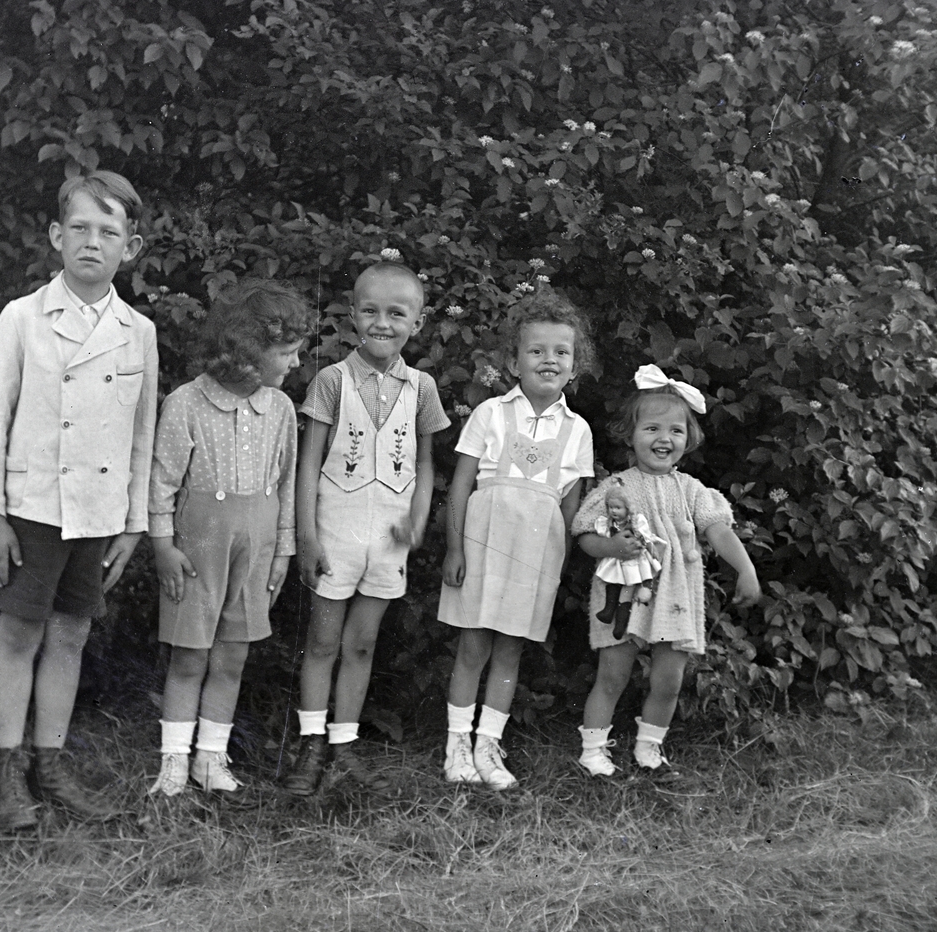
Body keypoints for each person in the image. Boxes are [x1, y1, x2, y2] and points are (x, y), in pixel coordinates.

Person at [0, 171, 155, 830]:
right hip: (33, 506)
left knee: (71, 635)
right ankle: (6, 770)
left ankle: (50, 766)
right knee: (19, 633)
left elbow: (141, 435)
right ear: (56, 235)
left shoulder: (139, 332)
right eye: (79, 227)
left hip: (98, 510)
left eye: (109, 232)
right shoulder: (22, 318)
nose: (91, 242)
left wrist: (134, 521)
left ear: (129, 248)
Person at [282, 262, 450, 797]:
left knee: (361, 643)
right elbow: (308, 465)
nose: (383, 323)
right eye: (370, 311)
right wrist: (306, 536)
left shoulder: (421, 388)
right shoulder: (331, 380)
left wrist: (418, 522)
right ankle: (310, 743)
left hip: (388, 540)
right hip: (335, 532)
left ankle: (344, 745)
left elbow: (425, 465)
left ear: (417, 323)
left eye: (396, 313)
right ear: (353, 316)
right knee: (323, 640)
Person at [146, 280, 312, 797]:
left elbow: (286, 483)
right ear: (246, 352)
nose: (294, 362)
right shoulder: (186, 403)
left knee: (233, 654)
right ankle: (173, 763)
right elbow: (162, 481)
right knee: (190, 654)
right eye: (285, 352)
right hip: (198, 547)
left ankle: (210, 760)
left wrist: (284, 549)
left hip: (257, 547)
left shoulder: (281, 408)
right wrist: (162, 545)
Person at [436, 289, 596, 790]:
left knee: (509, 651)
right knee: (473, 645)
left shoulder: (578, 430)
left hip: (534, 554)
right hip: (483, 544)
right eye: (536, 350)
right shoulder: (490, 415)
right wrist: (455, 547)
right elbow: (461, 485)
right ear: (513, 361)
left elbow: (570, 505)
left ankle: (488, 745)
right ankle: (456, 744)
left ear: (575, 365)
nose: (549, 360)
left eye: (561, 352)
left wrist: (556, 564)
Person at [571, 366, 761, 777]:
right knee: (613, 674)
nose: (664, 439)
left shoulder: (692, 490)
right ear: (630, 434)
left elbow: (719, 530)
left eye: (675, 431)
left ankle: (649, 748)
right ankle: (593, 750)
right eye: (652, 428)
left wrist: (746, 570)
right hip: (624, 591)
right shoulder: (617, 487)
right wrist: (612, 547)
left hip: (675, 594)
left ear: (688, 440)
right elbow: (584, 533)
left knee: (669, 680)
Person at [591, 488, 664, 640]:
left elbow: (646, 538)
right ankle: (608, 610)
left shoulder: (636, 522)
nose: (613, 511)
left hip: (633, 561)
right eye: (610, 507)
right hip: (617, 559)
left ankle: (620, 626)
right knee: (612, 581)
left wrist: (650, 548)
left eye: (618, 508)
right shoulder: (608, 523)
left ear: (628, 508)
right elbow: (604, 535)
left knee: (626, 591)